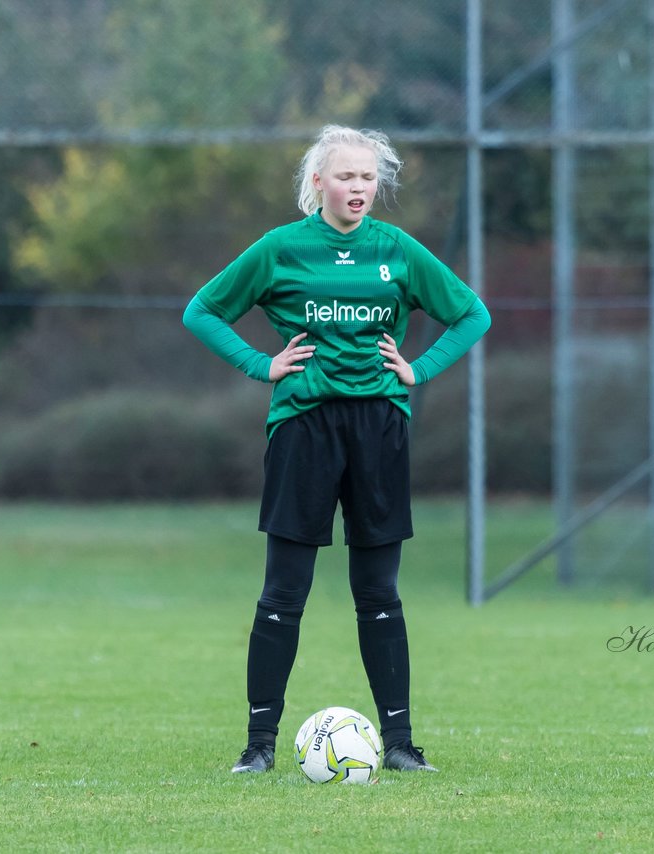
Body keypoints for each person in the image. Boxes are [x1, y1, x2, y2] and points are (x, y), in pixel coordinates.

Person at [183, 125, 491, 773]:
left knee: (379, 591)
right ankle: (258, 747)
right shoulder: (282, 249)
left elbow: (471, 314)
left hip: (379, 426)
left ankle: (402, 745)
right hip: (304, 426)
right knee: (283, 591)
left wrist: (420, 369)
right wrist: (259, 365)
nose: (358, 188)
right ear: (318, 182)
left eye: (368, 177)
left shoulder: (396, 250)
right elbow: (203, 311)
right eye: (346, 176)